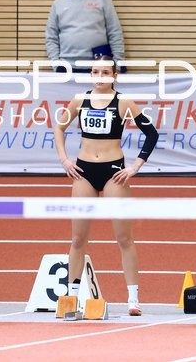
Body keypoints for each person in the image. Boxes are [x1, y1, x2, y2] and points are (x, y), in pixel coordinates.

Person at [53, 56, 159, 316]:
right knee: (78, 238)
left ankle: (133, 298)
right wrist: (65, 160)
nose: (100, 76)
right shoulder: (80, 100)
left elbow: (151, 133)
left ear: (114, 76)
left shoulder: (123, 102)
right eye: (95, 72)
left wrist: (135, 166)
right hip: (84, 171)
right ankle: (72, 298)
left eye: (105, 72)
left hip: (114, 172)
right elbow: (59, 127)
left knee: (124, 237)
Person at [45, 0, 125, 73]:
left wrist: (118, 63)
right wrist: (56, 65)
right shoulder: (58, 3)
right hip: (67, 67)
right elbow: (51, 37)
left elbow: (115, 32)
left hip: (99, 67)